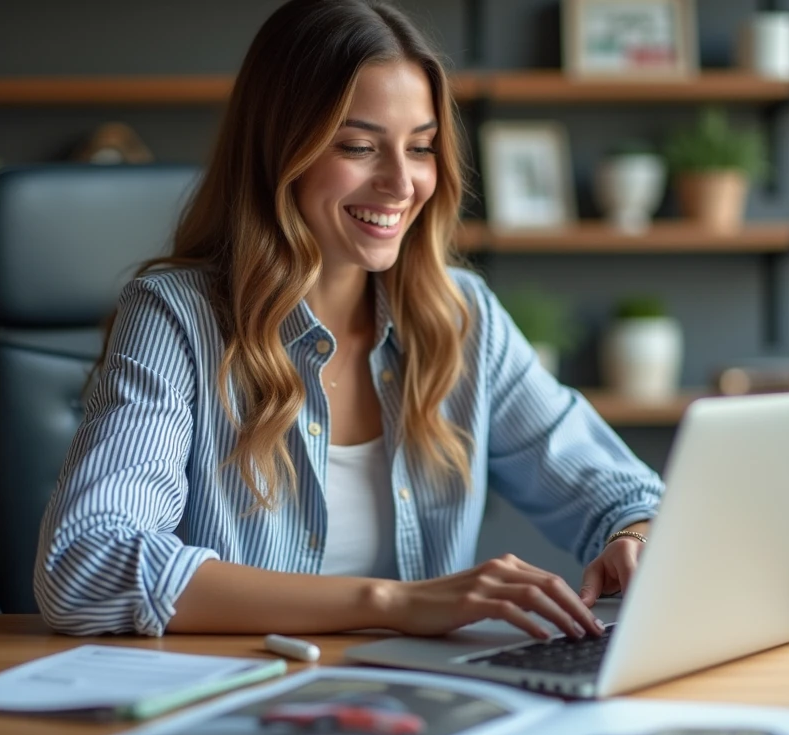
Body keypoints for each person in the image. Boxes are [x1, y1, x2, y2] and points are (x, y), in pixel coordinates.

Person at [34, 0, 664, 640]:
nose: (400, 183)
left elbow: (629, 495)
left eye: (420, 147)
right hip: (238, 708)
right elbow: (86, 564)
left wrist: (635, 533)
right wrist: (393, 604)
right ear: (281, 151)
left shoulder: (462, 318)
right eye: (360, 146)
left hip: (419, 714)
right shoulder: (177, 317)